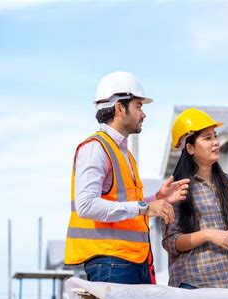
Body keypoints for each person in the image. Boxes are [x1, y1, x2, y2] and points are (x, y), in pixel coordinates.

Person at [64, 71, 190, 284]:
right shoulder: (96, 148)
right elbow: (85, 205)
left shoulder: (122, 153)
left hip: (131, 261)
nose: (144, 114)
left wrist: (158, 198)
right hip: (110, 261)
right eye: (139, 106)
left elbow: (125, 204)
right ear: (119, 108)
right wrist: (145, 207)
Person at [162, 108, 228, 289]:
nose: (215, 142)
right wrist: (207, 235)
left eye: (215, 136)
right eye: (207, 138)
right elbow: (170, 241)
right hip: (197, 284)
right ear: (190, 148)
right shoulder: (177, 190)